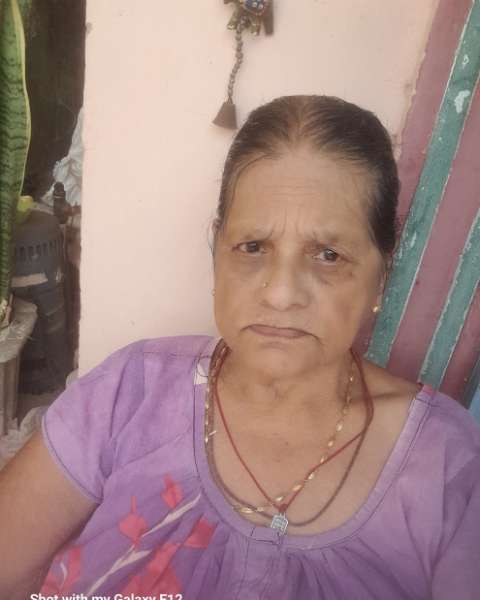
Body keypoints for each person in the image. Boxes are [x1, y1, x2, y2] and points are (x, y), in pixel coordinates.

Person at [1, 95, 479, 599]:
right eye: (252, 247)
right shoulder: (130, 392)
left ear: (381, 275)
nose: (281, 294)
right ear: (217, 252)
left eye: (328, 255)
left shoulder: (446, 466)